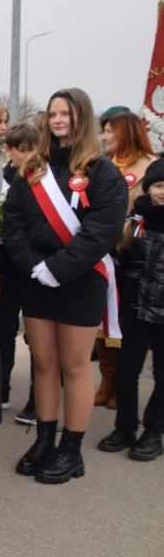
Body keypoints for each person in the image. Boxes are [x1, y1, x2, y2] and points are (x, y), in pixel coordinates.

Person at [3, 88, 127, 485]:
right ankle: (43, 439)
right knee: (44, 363)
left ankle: (71, 450)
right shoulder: (33, 169)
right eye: (53, 114)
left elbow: (101, 232)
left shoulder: (101, 171)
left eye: (66, 114)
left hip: (80, 279)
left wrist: (58, 268)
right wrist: (34, 266)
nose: (58, 121)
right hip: (38, 277)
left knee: (73, 366)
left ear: (82, 118)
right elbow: (15, 222)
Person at [98, 158, 164, 460]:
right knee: (126, 372)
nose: (163, 192)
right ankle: (125, 428)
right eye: (159, 185)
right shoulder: (133, 223)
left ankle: (154, 431)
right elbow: (118, 265)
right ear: (149, 187)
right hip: (135, 311)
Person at [93, 111, 158, 409]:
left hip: (131, 255)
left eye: (109, 131)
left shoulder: (151, 167)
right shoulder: (102, 165)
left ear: (126, 132)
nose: (104, 137)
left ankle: (122, 382)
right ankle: (107, 379)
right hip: (103, 251)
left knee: (125, 321)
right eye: (103, 131)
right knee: (104, 320)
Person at [0, 123, 43, 426]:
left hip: (38, 264)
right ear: (9, 150)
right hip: (6, 263)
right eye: (21, 150)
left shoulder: (45, 179)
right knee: (3, 327)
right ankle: (0, 389)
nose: (27, 156)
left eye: (33, 150)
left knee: (38, 336)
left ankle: (37, 399)